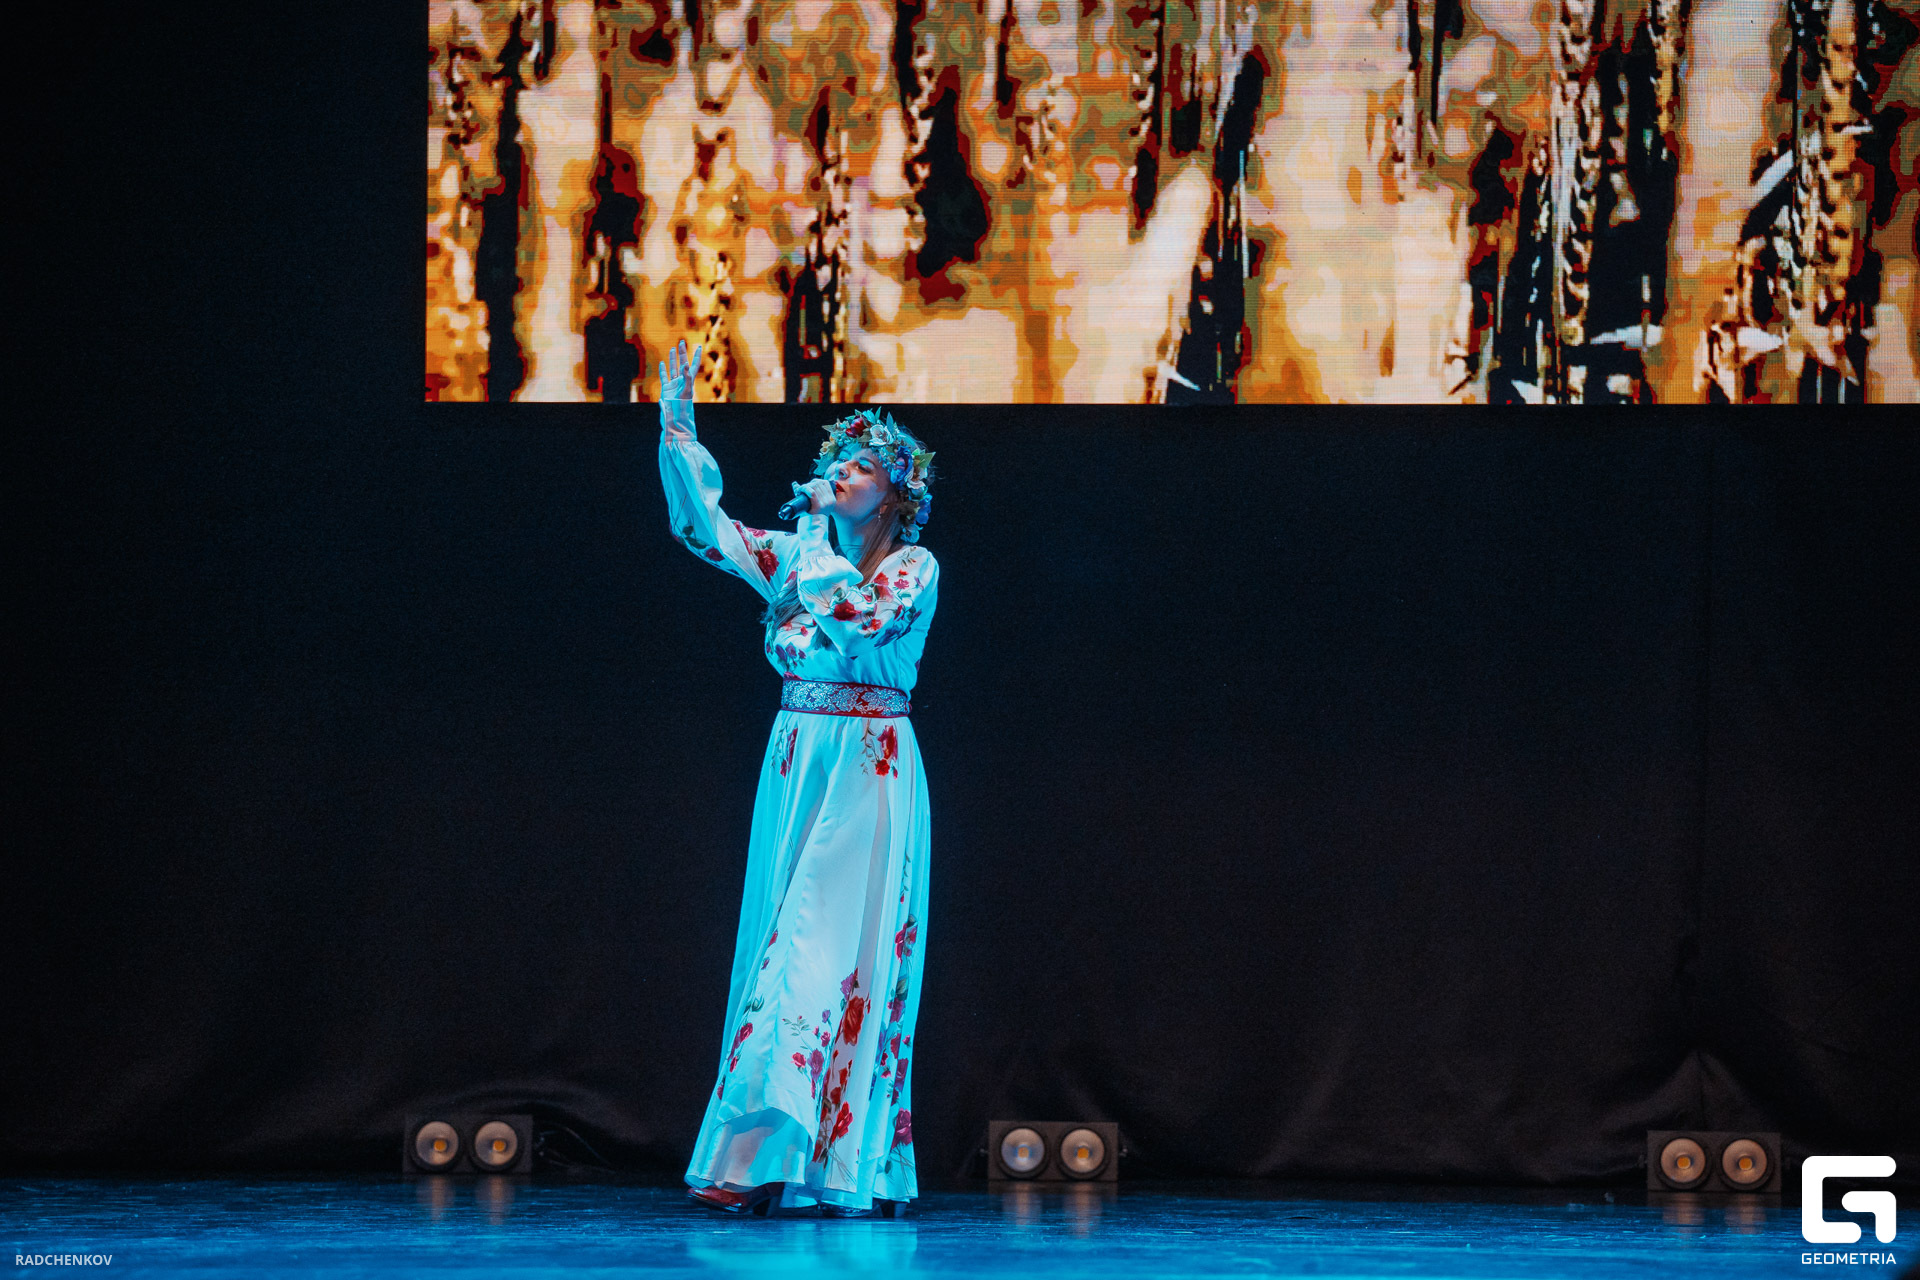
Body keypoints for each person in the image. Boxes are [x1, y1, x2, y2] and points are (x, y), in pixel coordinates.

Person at [655, 339, 939, 1218]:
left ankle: (756, 1158)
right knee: (780, 942)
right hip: (797, 758)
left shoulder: (912, 569)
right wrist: (679, 433)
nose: (841, 473)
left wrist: (813, 530)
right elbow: (707, 532)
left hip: (867, 765)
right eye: (837, 463)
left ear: (896, 494)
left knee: (814, 951)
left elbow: (857, 624)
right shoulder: (794, 555)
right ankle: (797, 1158)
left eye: (861, 467)